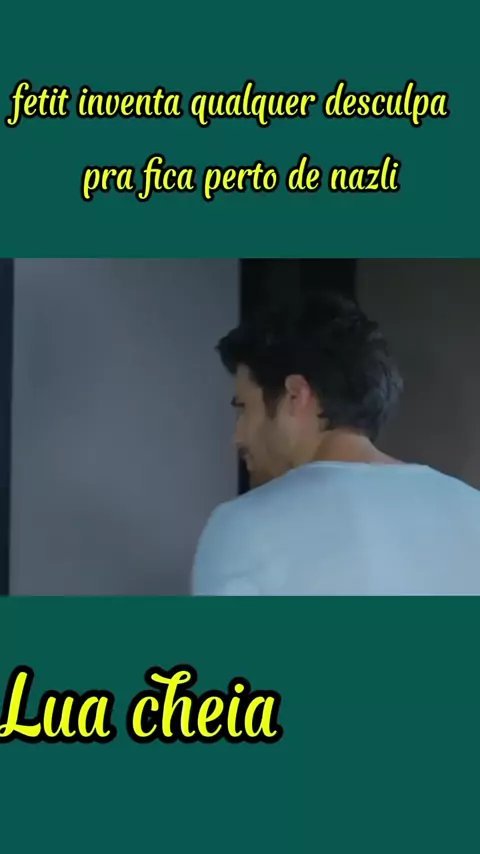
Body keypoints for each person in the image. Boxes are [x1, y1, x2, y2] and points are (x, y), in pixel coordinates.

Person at [192, 290, 480, 595]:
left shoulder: (245, 527)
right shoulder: (472, 509)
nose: (238, 436)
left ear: (295, 395)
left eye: (243, 408)